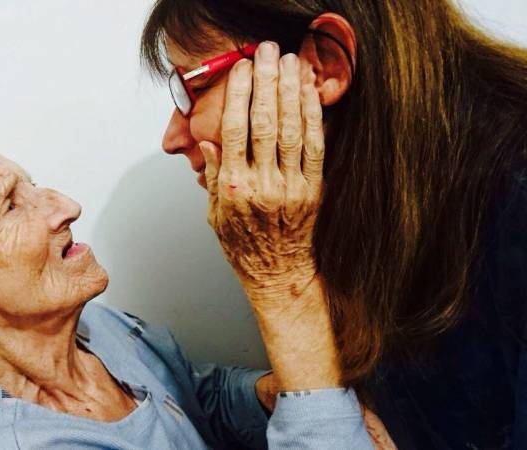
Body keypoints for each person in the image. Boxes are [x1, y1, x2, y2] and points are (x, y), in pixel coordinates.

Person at [0, 97, 379, 449]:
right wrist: (286, 301)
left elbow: (196, 398)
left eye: (33, 183)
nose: (65, 205)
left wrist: (276, 393)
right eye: (12, 204)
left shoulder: (100, 332)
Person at [141, 0, 527, 448]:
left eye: (195, 86)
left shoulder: (513, 198)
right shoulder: (369, 194)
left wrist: (280, 281)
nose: (172, 138)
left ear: (322, 65)